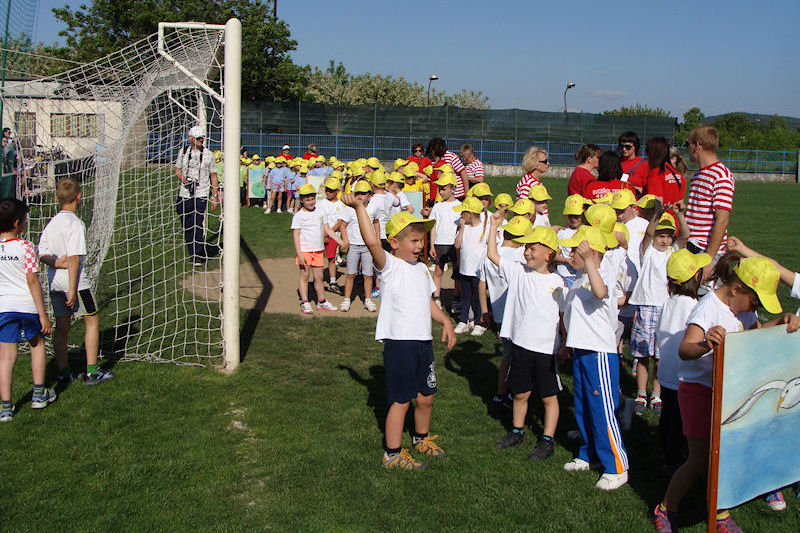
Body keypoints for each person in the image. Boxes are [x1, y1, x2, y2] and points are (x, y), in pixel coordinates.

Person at [652, 255, 800, 533]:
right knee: (699, 459)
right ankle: (666, 507)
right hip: (698, 390)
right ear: (736, 289)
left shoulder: (744, 311)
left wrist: (781, 321)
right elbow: (685, 349)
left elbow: (753, 335)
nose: (755, 309)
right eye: (755, 302)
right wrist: (706, 343)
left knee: (725, 455)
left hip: (729, 389)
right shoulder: (707, 308)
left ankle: (720, 513)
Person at [339, 198, 456, 470]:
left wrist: (445, 321)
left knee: (426, 396)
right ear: (394, 243)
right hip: (400, 344)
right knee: (401, 400)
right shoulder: (389, 266)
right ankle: (391, 454)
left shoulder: (422, 270)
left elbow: (427, 302)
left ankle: (421, 438)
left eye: (421, 240)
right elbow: (371, 243)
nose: (419, 246)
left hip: (423, 343)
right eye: (413, 241)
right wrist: (359, 208)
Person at [488, 217, 566, 460]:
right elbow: (492, 255)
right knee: (520, 393)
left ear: (549, 254)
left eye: (532, 248)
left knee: (548, 396)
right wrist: (493, 227)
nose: (527, 252)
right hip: (521, 344)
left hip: (545, 349)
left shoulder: (558, 283)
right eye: (526, 247)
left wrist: (564, 344)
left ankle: (547, 439)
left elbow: (563, 316)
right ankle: (517, 431)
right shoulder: (519, 272)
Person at [560, 225, 629, 490]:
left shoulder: (600, 274)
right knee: (584, 406)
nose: (571, 254)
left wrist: (590, 261)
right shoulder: (580, 278)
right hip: (581, 350)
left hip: (599, 353)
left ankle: (617, 466)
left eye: (576, 251)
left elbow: (600, 293)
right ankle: (590, 453)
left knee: (602, 410)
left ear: (593, 254)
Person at [39, 178, 114, 385]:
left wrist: (55, 262)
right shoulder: (76, 224)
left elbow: (41, 253)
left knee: (62, 327)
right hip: (76, 284)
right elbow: (73, 257)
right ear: (79, 197)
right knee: (92, 320)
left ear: (56, 198)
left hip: (55, 283)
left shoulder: (51, 224)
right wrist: (72, 289)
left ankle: (64, 372)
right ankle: (92, 372)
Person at [628, 207, 689, 416]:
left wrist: (680, 215)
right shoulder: (648, 252)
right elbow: (648, 233)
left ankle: (656, 393)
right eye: (661, 236)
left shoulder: (674, 252)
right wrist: (656, 215)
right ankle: (641, 393)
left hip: (666, 307)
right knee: (643, 354)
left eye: (668, 236)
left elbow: (685, 235)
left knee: (660, 356)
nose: (664, 240)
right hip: (646, 305)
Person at [655, 248, 709, 478]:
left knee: (667, 415)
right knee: (678, 420)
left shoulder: (669, 302)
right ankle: (672, 460)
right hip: (682, 374)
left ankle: (664, 452)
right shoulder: (694, 306)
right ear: (695, 276)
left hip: (666, 371)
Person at [0, 198, 55, 422]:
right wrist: (43, 315)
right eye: (23, 220)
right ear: (16, 224)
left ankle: (5, 407)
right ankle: (39, 394)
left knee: (6, 356)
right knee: (37, 345)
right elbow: (32, 280)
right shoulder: (26, 247)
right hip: (27, 305)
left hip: (4, 308)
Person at [479, 215, 530, 404]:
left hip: (500, 313)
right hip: (518, 313)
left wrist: (484, 310)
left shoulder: (490, 255)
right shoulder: (521, 255)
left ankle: (501, 392)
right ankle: (515, 393)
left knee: (507, 355)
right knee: (520, 356)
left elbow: (482, 284)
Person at [684, 126, 735, 283]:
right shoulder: (698, 175)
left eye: (688, 144)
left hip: (705, 252)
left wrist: (708, 259)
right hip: (690, 247)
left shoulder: (721, 175)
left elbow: (722, 219)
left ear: (697, 145)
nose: (687, 148)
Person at [291, 184, 343, 314]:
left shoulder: (320, 212)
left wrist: (340, 242)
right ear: (301, 200)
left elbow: (328, 229)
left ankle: (321, 301)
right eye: (307, 200)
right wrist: (299, 254)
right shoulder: (298, 216)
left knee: (319, 277)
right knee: (305, 276)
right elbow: (296, 235)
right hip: (305, 251)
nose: (311, 202)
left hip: (318, 250)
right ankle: (305, 302)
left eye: (312, 199)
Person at [173, 126, 219, 266]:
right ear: (190, 138)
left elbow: (213, 176)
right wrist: (183, 179)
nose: (201, 140)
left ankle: (197, 255)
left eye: (202, 138)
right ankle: (192, 250)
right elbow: (177, 169)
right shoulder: (184, 152)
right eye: (198, 138)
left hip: (201, 193)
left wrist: (214, 196)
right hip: (185, 193)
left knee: (197, 223)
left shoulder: (209, 155)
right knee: (187, 225)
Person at [338, 180, 380, 313]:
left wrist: (377, 239)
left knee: (368, 274)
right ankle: (346, 299)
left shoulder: (373, 208)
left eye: (363, 193)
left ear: (370, 195)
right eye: (357, 193)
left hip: (368, 247)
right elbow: (342, 226)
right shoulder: (349, 209)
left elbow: (376, 223)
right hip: (353, 246)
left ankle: (368, 299)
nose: (360, 196)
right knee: (351, 273)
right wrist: (345, 240)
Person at [453, 196, 489, 334]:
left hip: (478, 271)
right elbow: (457, 245)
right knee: (466, 296)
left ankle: (479, 322)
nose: (461, 214)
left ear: (470, 213)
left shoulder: (485, 228)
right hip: (464, 269)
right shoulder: (464, 227)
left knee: (478, 297)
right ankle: (464, 321)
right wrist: (462, 228)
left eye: (463, 212)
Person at [427, 173, 461, 308]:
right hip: (440, 243)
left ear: (453, 189)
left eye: (444, 188)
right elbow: (433, 227)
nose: (441, 192)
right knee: (438, 270)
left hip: (454, 244)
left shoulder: (460, 206)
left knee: (456, 272)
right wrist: (431, 245)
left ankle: (457, 298)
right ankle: (436, 297)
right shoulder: (437, 207)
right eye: (439, 189)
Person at [555, 194, 590, 288]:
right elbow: (555, 255)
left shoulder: (588, 231)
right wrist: (566, 260)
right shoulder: (562, 233)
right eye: (570, 216)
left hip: (582, 274)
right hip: (565, 274)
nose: (573, 219)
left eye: (577, 216)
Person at [644, 137, 686, 206]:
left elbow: (657, 203)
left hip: (661, 212)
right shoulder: (678, 175)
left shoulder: (656, 173)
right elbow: (680, 203)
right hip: (673, 213)